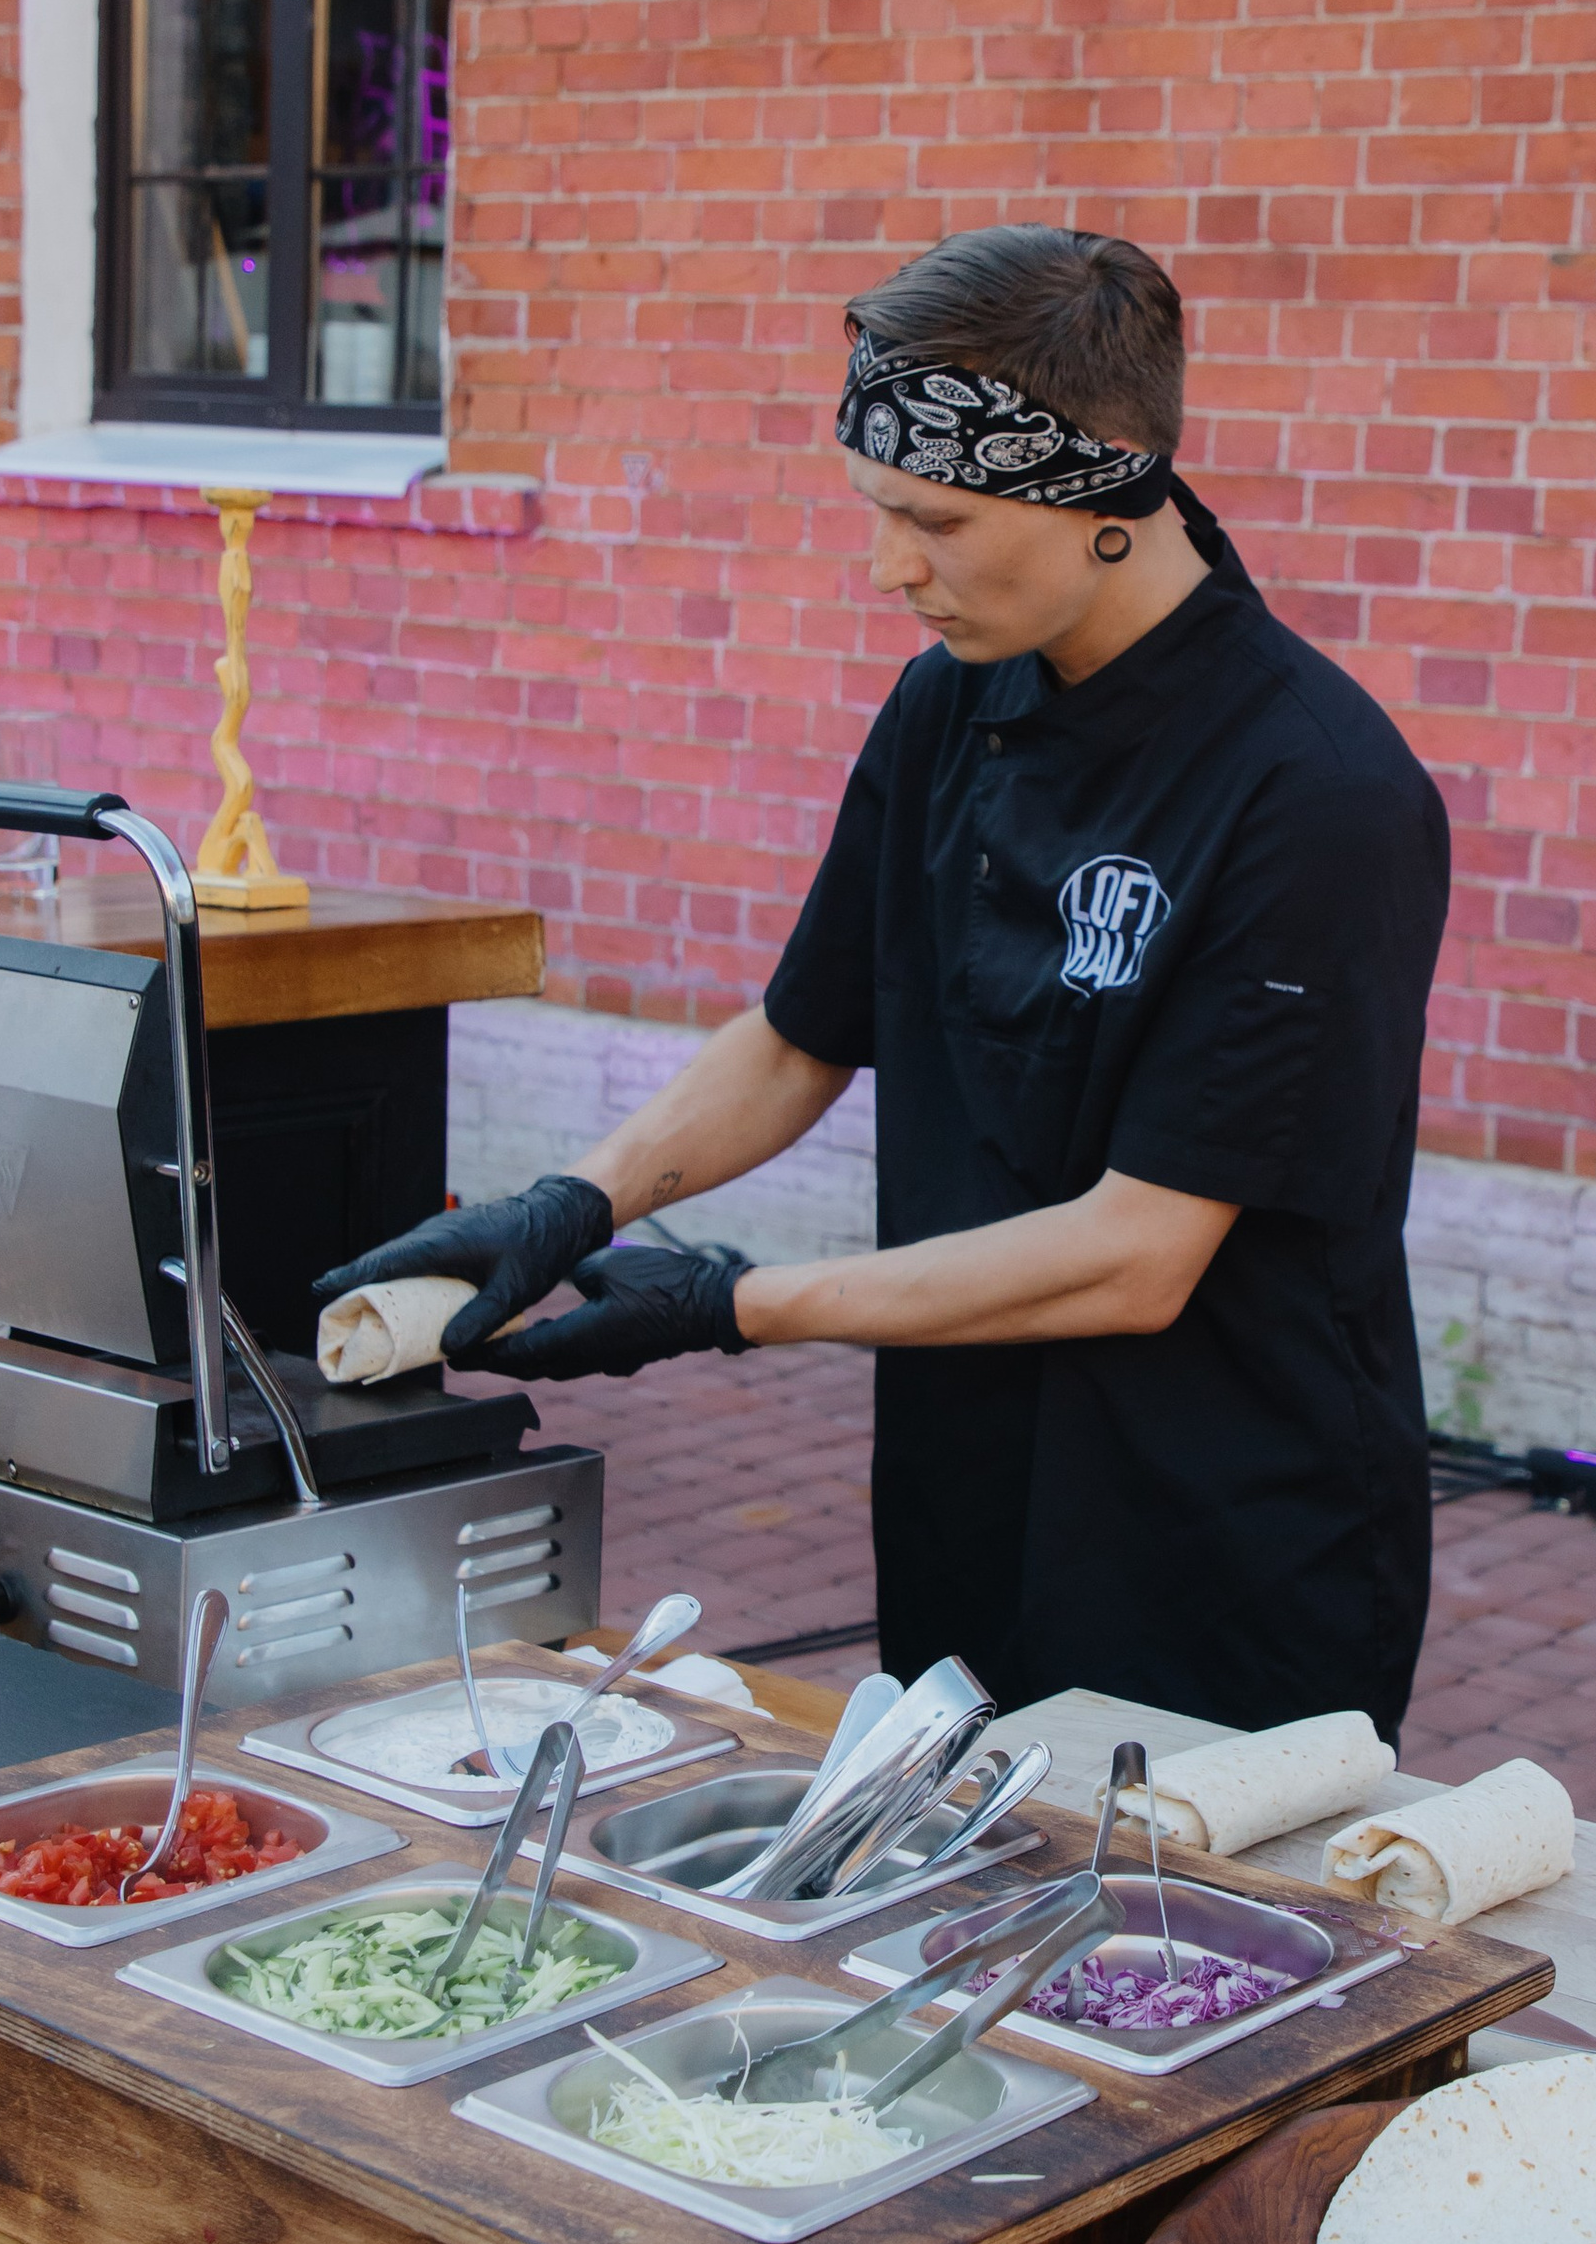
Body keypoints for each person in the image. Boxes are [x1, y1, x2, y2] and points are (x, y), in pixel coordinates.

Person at [320, 227, 1450, 1731]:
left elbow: (1138, 1252)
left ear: (1109, 478)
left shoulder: (1317, 793)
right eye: (874, 510)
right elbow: (799, 1039)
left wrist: (727, 1305)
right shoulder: (948, 706)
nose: (889, 568)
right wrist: (578, 1200)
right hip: (964, 1473)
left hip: (1223, 1531)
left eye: (939, 520)